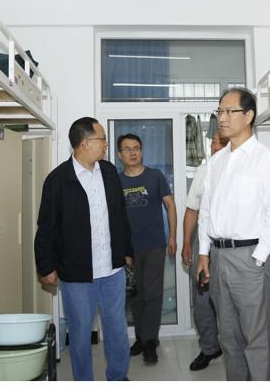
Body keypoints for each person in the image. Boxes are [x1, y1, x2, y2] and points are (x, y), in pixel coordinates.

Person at [197, 87, 270, 381]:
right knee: (228, 337)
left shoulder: (266, 159)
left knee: (255, 338)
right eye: (219, 112)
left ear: (248, 116)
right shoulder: (216, 162)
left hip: (250, 257)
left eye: (229, 111)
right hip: (219, 257)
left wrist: (259, 259)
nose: (222, 118)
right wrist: (203, 253)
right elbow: (206, 211)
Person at [34, 117, 133, 381]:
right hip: (77, 274)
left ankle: (118, 377)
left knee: (117, 330)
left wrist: (126, 251)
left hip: (112, 269)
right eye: (102, 139)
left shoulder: (109, 172)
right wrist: (46, 266)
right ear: (85, 143)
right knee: (79, 336)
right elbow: (46, 227)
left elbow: (120, 215)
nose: (106, 145)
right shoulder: (58, 180)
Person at [116, 133, 177, 364]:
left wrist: (173, 236)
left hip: (154, 245)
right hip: (128, 249)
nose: (132, 153)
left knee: (153, 294)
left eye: (136, 148)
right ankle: (141, 338)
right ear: (120, 155)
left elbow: (170, 205)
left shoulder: (155, 176)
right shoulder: (116, 181)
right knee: (135, 295)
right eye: (127, 149)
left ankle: (150, 341)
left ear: (142, 151)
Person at [180, 130, 229, 371]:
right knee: (202, 299)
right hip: (203, 244)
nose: (216, 147)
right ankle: (210, 347)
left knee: (230, 300)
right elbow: (192, 209)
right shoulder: (203, 171)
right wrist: (187, 243)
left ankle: (234, 348)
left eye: (222, 143)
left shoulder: (239, 169)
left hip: (231, 246)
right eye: (214, 143)